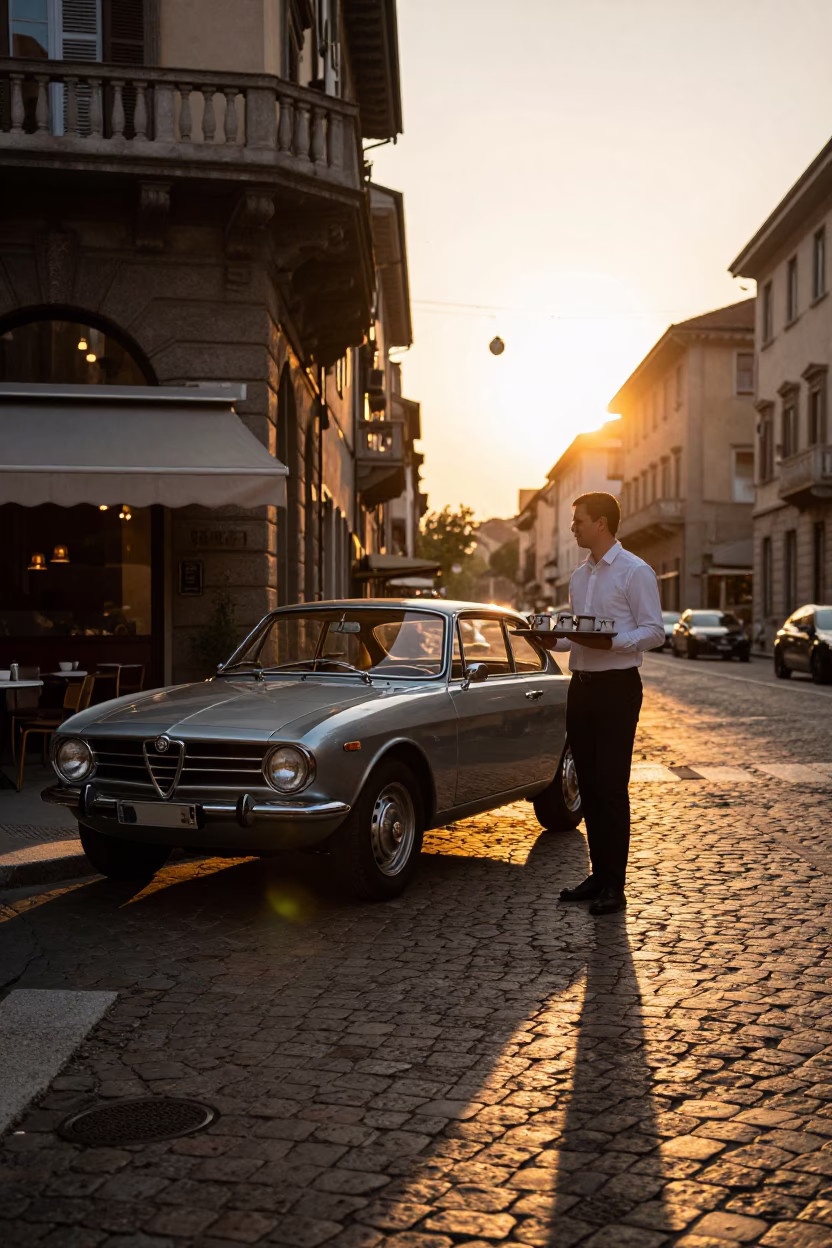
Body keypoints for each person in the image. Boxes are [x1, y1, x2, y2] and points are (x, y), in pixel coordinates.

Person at [554, 492, 664, 915]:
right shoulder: (579, 576)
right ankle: (598, 877)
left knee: (612, 787)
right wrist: (551, 641)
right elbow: (577, 636)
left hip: (618, 688)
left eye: (579, 521)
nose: (573, 528)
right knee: (587, 785)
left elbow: (654, 631)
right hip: (580, 687)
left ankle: (614, 887)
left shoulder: (636, 571)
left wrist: (615, 643)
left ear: (601, 523)